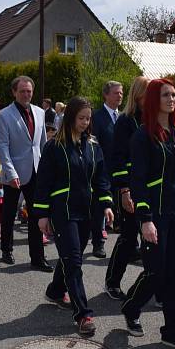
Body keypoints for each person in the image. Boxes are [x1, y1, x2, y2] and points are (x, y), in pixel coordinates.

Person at [120, 78, 175, 349]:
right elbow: (138, 181)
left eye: (174, 95)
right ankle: (131, 307)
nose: (172, 99)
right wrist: (145, 219)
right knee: (155, 272)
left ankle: (173, 331)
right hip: (155, 215)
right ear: (154, 99)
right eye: (166, 95)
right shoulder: (143, 135)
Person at [34, 96, 114, 336]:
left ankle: (55, 291)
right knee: (74, 261)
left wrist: (107, 203)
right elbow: (43, 183)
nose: (85, 122)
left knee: (71, 258)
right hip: (63, 211)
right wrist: (42, 214)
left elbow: (101, 178)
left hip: (86, 211)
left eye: (88, 118)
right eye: (81, 118)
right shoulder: (54, 146)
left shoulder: (93, 145)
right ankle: (83, 314)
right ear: (70, 118)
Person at [0, 75, 51, 271]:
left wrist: (47, 167)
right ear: (14, 92)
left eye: (29, 91)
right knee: (9, 213)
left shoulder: (40, 112)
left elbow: (42, 143)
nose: (26, 94)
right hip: (14, 174)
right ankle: (6, 249)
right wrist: (11, 173)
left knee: (36, 214)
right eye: (22, 91)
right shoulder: (3, 115)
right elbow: (2, 147)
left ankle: (37, 258)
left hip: (36, 170)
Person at [105, 76, 149, 300]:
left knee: (151, 238)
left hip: (151, 188)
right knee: (129, 237)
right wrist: (124, 191)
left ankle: (153, 284)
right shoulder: (126, 121)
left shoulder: (154, 119)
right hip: (131, 188)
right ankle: (112, 281)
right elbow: (118, 159)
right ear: (139, 94)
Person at [90, 80, 124, 258]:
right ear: (106, 95)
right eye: (116, 93)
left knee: (124, 206)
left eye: (121, 92)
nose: (120, 95)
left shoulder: (124, 116)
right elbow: (94, 145)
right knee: (100, 206)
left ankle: (127, 242)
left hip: (122, 170)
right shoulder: (97, 117)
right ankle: (98, 243)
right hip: (103, 170)